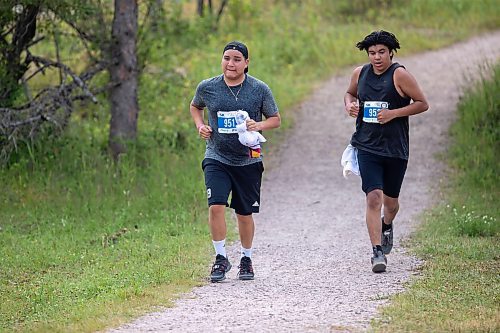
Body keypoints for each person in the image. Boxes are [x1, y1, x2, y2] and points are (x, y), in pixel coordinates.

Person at [189, 41, 281, 282]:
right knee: (216, 205)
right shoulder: (208, 87)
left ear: (246, 63)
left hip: (248, 160)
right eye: (227, 58)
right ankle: (220, 258)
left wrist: (258, 125)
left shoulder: (259, 89)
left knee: (243, 212)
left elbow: (275, 119)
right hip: (216, 156)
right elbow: (195, 106)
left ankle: (246, 259)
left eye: (237, 59)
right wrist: (201, 126)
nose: (231, 63)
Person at [343, 30, 429, 273]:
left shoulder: (399, 75)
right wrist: (350, 105)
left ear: (391, 52)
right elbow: (350, 94)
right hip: (367, 145)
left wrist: (393, 113)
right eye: (372, 53)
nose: (377, 57)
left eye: (382, 52)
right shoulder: (360, 73)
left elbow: (423, 103)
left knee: (390, 204)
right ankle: (377, 252)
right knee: (373, 198)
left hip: (395, 149)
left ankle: (387, 224)